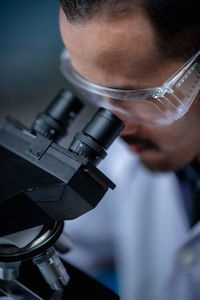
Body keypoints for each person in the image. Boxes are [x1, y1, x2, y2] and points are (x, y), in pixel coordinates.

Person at [58, 0, 200, 299]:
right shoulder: (125, 165)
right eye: (95, 90)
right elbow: (67, 249)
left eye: (138, 95)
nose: (115, 125)